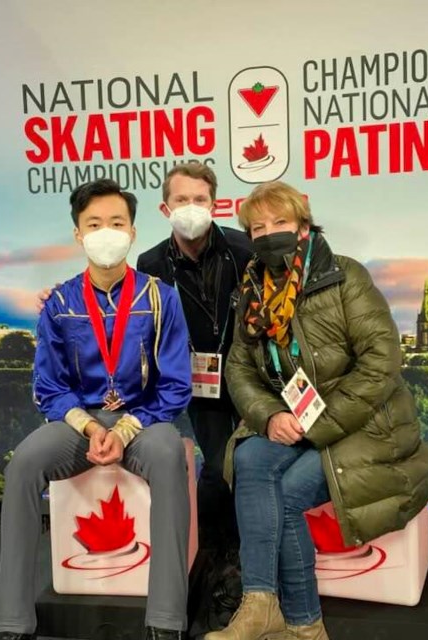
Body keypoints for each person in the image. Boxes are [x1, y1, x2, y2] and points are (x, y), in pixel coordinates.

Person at [208, 181, 428, 640]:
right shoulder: (251, 293)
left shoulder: (345, 276)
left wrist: (319, 421)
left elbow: (382, 358)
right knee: (250, 458)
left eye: (280, 222)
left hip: (367, 425)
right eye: (258, 227)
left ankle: (304, 625)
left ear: (302, 225)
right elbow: (239, 367)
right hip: (294, 422)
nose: (269, 232)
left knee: (290, 493)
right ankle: (260, 603)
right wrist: (269, 416)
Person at [0, 178, 193, 640]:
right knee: (22, 465)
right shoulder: (61, 302)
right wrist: (87, 427)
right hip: (78, 424)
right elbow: (48, 386)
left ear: (133, 232)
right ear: (79, 234)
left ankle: (166, 621)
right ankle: (12, 623)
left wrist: (124, 430)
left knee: (167, 458)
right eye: (95, 224)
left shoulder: (161, 298)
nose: (107, 232)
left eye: (117, 222)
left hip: (145, 420)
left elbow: (176, 384)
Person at [137, 161, 253, 553]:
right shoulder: (150, 264)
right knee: (220, 469)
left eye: (200, 199)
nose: (191, 207)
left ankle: (254, 552)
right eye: (181, 199)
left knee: (256, 463)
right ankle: (217, 555)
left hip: (251, 376)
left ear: (215, 205)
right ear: (165, 208)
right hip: (198, 382)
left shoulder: (245, 249)